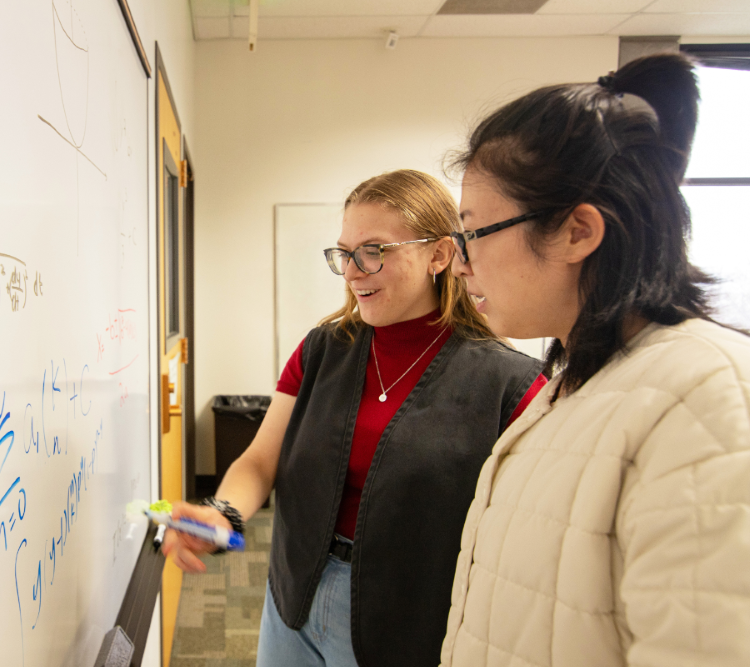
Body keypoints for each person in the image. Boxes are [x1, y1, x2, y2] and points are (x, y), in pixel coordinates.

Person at [163, 169, 546, 667]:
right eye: (344, 253)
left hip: (404, 620)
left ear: (439, 253)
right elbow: (261, 461)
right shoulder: (323, 350)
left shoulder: (509, 383)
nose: (351, 271)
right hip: (294, 593)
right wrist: (223, 512)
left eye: (374, 251)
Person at [440, 54, 750, 667]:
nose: (459, 262)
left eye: (474, 233)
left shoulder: (707, 399)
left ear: (578, 232)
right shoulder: (580, 382)